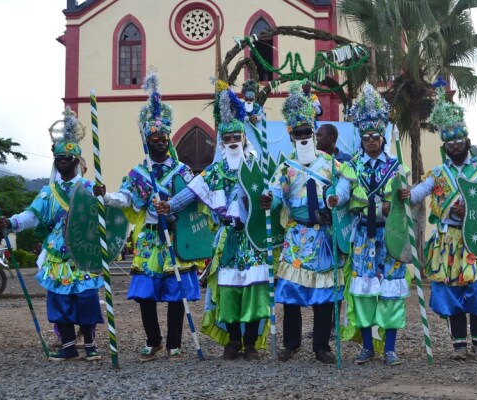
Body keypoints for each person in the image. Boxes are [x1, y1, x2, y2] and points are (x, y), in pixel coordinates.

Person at [156, 81, 269, 361]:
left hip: (253, 240)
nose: (232, 143)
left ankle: (251, 343)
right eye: (227, 139)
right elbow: (192, 192)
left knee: (254, 289)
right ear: (222, 143)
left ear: (244, 139)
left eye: (236, 138)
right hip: (227, 239)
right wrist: (169, 204)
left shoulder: (257, 167)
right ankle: (233, 341)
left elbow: (272, 194)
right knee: (228, 290)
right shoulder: (215, 171)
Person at [95, 73, 200, 362]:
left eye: (163, 138)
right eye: (153, 139)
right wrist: (105, 195)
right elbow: (125, 199)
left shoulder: (182, 171)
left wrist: (174, 208)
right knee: (145, 292)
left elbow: (193, 196)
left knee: (176, 291)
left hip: (176, 235)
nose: (159, 142)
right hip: (151, 236)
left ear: (169, 138)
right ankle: (153, 341)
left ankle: (175, 344)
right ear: (147, 141)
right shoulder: (138, 174)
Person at [399, 81, 477, 362]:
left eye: (459, 141)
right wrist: (407, 193)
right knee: (453, 291)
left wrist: (471, 208)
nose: (455, 146)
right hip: (448, 241)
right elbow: (420, 191)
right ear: (446, 145)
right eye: (450, 142)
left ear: (467, 141)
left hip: (475, 239)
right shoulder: (438, 172)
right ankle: (458, 345)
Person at [0, 108, 104, 361]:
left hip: (83, 252)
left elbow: (105, 216)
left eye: (68, 156)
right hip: (57, 254)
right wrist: (10, 222)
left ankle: (90, 344)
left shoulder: (90, 188)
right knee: (59, 299)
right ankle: (67, 346)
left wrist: (104, 198)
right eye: (59, 157)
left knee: (87, 297)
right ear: (55, 161)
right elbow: (31, 216)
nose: (63, 160)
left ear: (77, 161)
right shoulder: (48, 192)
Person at [259, 81, 340, 364]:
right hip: (296, 235)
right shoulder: (285, 167)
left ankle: (322, 347)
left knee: (323, 295)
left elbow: (345, 190)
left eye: (309, 132)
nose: (304, 137)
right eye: (299, 134)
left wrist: (337, 202)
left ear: (315, 135)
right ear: (292, 136)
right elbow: (275, 193)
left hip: (322, 236)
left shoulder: (331, 165)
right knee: (291, 295)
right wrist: (269, 198)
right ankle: (291, 344)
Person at [329, 84, 409, 366]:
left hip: (389, 236)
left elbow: (404, 198)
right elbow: (341, 191)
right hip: (363, 236)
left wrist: (399, 200)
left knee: (390, 292)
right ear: (361, 139)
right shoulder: (352, 167)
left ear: (383, 137)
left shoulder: (396, 166)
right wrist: (335, 199)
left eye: (376, 136)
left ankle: (389, 348)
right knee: (363, 293)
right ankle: (366, 347)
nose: (372, 141)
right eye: (367, 137)